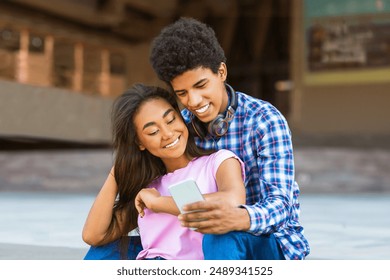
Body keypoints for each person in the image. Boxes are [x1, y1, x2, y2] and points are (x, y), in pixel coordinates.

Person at [148, 17, 310, 260]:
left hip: (267, 240)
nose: (193, 101)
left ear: (221, 72)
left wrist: (240, 218)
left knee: (222, 236)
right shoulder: (180, 128)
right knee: (112, 250)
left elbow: (281, 206)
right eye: (182, 93)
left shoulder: (265, 120)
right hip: (199, 239)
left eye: (201, 85)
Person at [82, 83, 246, 260]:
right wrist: (117, 171)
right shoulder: (148, 189)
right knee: (102, 252)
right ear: (140, 143)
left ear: (181, 117)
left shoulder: (218, 162)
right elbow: (94, 235)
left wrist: (159, 203)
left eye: (170, 120)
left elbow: (233, 201)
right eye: (153, 131)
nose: (167, 133)